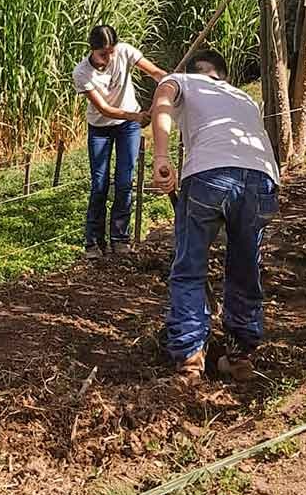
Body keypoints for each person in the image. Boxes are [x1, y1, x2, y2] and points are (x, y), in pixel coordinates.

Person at [150, 49, 280, 383]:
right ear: (222, 76)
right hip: (261, 179)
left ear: (195, 71)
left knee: (189, 268)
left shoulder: (180, 80)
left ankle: (191, 360)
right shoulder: (243, 98)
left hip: (209, 175)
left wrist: (161, 158)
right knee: (244, 267)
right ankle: (240, 357)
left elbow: (163, 100)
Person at [73, 25, 166, 258]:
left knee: (125, 181)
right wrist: (135, 115)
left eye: (111, 51)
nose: (109, 57)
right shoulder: (82, 72)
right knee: (99, 185)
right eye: (103, 53)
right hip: (100, 128)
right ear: (92, 50)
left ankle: (120, 238)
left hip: (128, 128)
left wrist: (167, 80)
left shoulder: (124, 51)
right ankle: (93, 243)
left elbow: (154, 72)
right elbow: (104, 109)